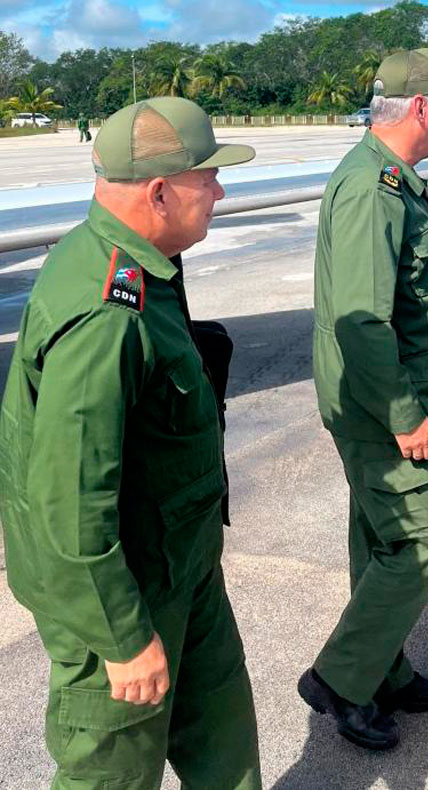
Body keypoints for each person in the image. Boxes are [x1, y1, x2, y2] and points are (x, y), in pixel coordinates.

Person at [0, 97, 262, 789]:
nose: (219, 191)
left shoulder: (144, 268)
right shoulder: (104, 314)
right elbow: (68, 503)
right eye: (207, 178)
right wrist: (122, 638)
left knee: (226, 756)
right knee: (112, 777)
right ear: (158, 191)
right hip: (125, 596)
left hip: (183, 571)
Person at [301, 48, 428, 750]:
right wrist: (405, 416)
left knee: (379, 539)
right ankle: (341, 680)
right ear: (422, 107)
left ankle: (385, 673)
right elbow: (363, 319)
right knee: (425, 536)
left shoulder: (392, 179)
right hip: (381, 405)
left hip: (374, 398)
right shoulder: (374, 189)